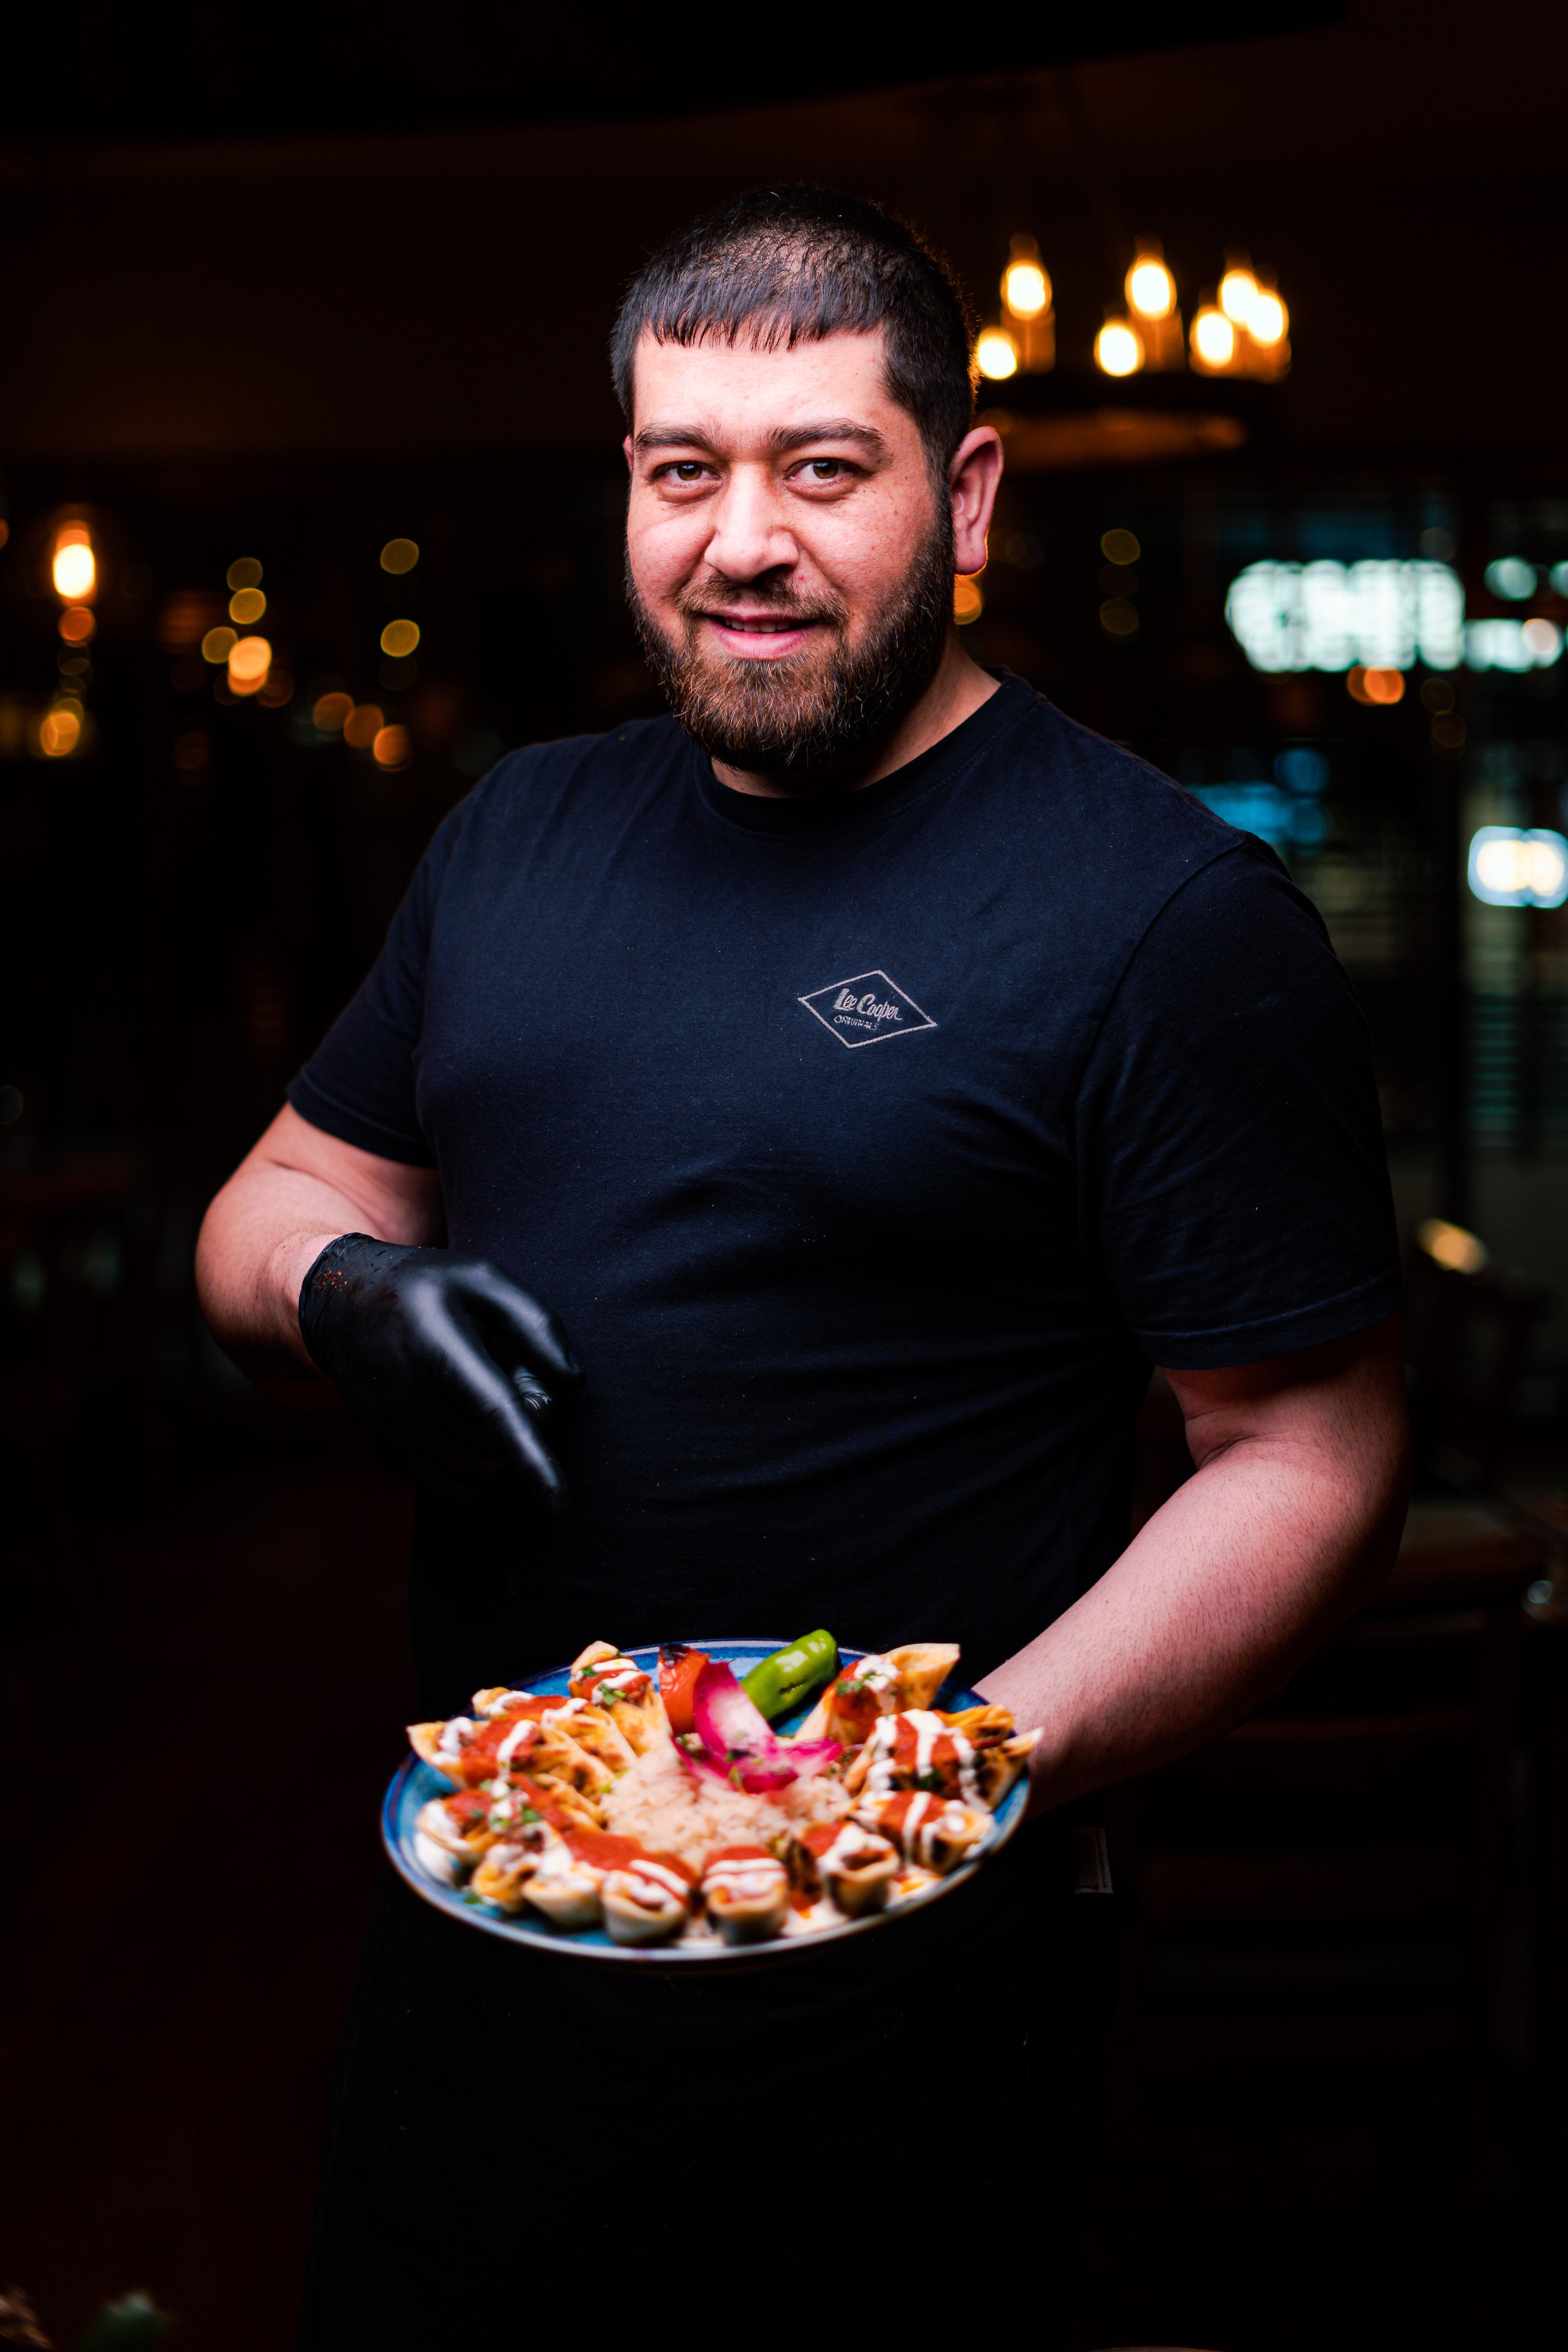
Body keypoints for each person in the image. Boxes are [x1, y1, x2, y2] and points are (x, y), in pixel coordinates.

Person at [197, 186, 1408, 2339]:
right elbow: (275, 1195)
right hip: (495, 1928)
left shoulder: (1165, 918)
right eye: (684, 473)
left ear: (962, 497)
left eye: (819, 471)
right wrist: (344, 1295)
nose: (738, 539)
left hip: (904, 1997)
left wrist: (927, 1779)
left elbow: (1300, 1455)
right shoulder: (513, 836)